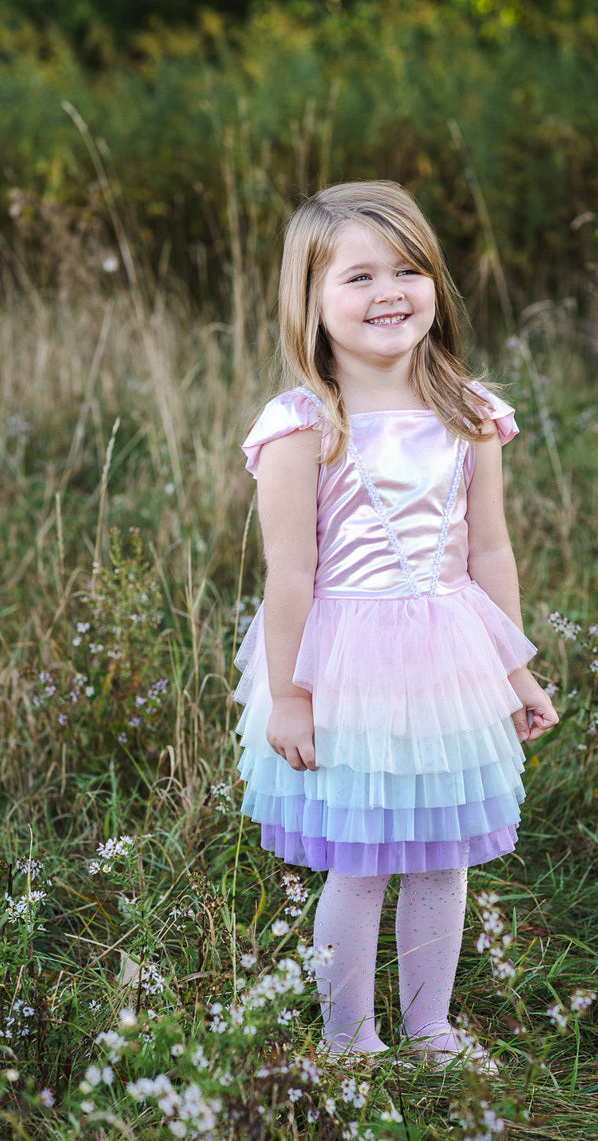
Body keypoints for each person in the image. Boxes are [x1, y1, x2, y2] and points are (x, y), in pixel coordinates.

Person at [233, 180, 558, 1068]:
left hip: (448, 660)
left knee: (442, 856)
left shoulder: (469, 411)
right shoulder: (303, 423)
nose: (390, 292)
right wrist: (292, 696)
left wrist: (513, 671)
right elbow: (289, 574)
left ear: (436, 286)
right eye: (359, 276)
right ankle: (349, 1041)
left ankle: (430, 1027)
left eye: (409, 269)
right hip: (343, 663)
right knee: (364, 857)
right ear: (312, 301)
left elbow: (487, 553)